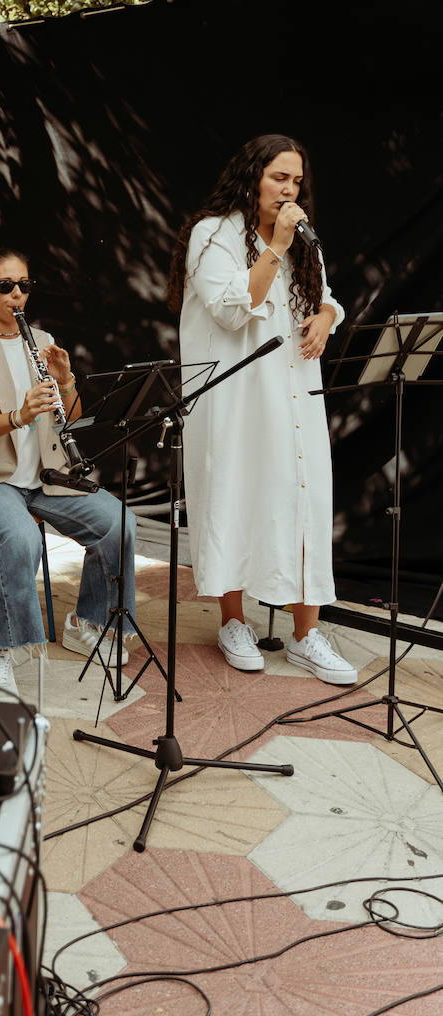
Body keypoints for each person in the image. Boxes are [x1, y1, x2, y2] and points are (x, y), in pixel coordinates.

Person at [166, 133, 356, 685]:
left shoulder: (302, 240)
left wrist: (327, 317)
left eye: (297, 181)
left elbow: (327, 296)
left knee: (304, 501)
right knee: (235, 495)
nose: (289, 189)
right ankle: (232, 622)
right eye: (279, 177)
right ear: (252, 176)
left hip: (296, 392)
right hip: (237, 399)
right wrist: (275, 243)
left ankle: (305, 636)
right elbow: (232, 309)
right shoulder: (213, 235)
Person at [0, 247, 139, 699]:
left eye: (24, 285)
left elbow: (70, 416)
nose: (17, 294)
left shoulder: (41, 340)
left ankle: (88, 623)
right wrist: (19, 415)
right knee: (20, 537)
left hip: (46, 476)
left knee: (120, 523)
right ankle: (0, 652)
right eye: (5, 286)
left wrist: (66, 382)